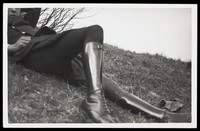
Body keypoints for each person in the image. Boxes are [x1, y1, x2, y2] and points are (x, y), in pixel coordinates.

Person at [7, 8, 191, 123]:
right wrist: (10, 47)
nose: (14, 8)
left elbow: (30, 14)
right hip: (32, 52)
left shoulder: (25, 16)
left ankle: (164, 117)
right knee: (95, 29)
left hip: (53, 48)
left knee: (113, 88)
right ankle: (94, 104)